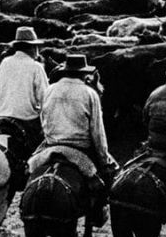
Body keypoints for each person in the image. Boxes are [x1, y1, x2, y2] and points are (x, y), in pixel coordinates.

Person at [39, 53, 118, 217]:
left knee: (29, 167)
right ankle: (98, 212)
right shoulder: (90, 93)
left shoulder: (49, 89)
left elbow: (43, 118)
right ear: (84, 73)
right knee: (109, 175)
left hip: (51, 145)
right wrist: (104, 159)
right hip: (80, 149)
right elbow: (97, 132)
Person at [0, 25, 50, 152]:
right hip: (26, 120)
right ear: (32, 47)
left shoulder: (4, 62)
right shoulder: (36, 67)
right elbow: (45, 99)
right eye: (36, 46)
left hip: (1, 116)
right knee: (43, 151)